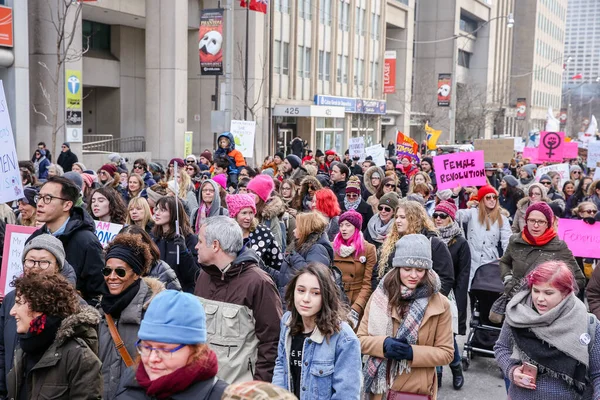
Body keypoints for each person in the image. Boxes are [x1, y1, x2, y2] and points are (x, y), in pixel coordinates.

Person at [358, 234, 454, 399]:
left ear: (427, 270)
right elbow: (360, 340)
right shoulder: (380, 296)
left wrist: (412, 353)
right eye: (407, 269)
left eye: (420, 270)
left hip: (416, 391)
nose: (413, 275)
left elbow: (446, 352)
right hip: (380, 391)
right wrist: (383, 345)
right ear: (398, 268)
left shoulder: (441, 304)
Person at [194, 216, 283, 383]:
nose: (195, 246)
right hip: (203, 386)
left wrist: (258, 388)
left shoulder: (258, 283)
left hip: (239, 390)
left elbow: (272, 342)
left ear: (215, 245)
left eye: (200, 241)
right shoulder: (203, 277)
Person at [495, 261, 600, 399]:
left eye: (548, 293)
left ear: (565, 293)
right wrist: (512, 371)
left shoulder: (588, 324)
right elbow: (501, 347)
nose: (540, 298)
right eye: (536, 290)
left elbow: (598, 374)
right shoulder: (518, 315)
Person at [0, 234, 80, 395]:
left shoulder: (72, 304)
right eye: (30, 261)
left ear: (58, 266)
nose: (35, 267)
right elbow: (2, 348)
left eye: (44, 262)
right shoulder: (11, 299)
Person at [115, 290, 228, 399]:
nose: (152, 358)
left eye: (165, 350)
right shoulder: (129, 381)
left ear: (195, 350)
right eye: (147, 347)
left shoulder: (223, 396)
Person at [272, 262, 362, 398]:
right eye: (301, 290)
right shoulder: (287, 322)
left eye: (315, 293)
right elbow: (281, 365)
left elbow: (346, 394)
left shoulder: (343, 338)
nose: (306, 299)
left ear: (326, 296)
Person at [6, 273, 102, 399]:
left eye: (18, 303)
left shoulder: (79, 356)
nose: (12, 311)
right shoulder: (23, 348)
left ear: (39, 305)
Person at [99, 234, 164, 399]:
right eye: (107, 271)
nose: (111, 277)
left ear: (136, 274)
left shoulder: (154, 313)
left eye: (120, 272)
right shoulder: (99, 311)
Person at [29, 176, 107, 304]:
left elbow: (97, 294)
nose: (40, 203)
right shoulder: (35, 239)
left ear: (67, 205)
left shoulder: (86, 242)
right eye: (39, 197)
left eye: (48, 198)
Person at [501, 202, 585, 299]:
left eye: (541, 222)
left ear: (548, 224)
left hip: (543, 307)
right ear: (526, 221)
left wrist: (557, 295)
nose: (535, 225)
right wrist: (508, 279)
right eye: (532, 220)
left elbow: (579, 279)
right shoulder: (515, 240)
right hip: (514, 300)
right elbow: (504, 262)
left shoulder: (559, 247)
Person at [375, 199, 454, 297]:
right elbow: (377, 274)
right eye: (396, 217)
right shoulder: (391, 243)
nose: (397, 221)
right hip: (392, 301)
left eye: (403, 217)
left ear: (415, 219)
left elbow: (446, 278)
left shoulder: (433, 243)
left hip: (425, 303)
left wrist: (426, 300)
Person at [432, 200, 471, 389]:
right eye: (436, 215)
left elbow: (463, 276)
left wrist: (461, 304)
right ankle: (437, 373)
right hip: (431, 290)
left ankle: (455, 368)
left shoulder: (460, 243)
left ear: (451, 218)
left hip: (450, 294)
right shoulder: (430, 238)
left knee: (447, 335)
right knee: (432, 333)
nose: (438, 219)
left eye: (443, 216)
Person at [455, 185, 511, 288]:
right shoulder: (472, 213)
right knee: (470, 292)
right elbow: (456, 215)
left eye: (494, 197)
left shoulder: (502, 218)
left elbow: (507, 240)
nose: (492, 200)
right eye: (488, 197)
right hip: (471, 260)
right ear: (482, 200)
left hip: (490, 261)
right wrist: (455, 195)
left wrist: (506, 258)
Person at [332, 210, 377, 328]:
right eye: (341, 225)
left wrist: (356, 309)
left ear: (356, 228)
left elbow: (368, 284)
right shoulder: (332, 247)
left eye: (348, 225)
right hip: (335, 300)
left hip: (356, 301)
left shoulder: (368, 249)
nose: (343, 229)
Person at [277, 211, 334, 300]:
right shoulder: (301, 247)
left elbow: (312, 275)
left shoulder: (317, 249)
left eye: (297, 227)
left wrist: (294, 256)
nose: (294, 230)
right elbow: (285, 274)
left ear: (305, 229)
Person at [226, 193, 283, 278]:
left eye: (251, 213)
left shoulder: (263, 233)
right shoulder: (226, 233)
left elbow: (277, 262)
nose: (248, 217)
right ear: (235, 215)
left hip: (257, 283)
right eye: (244, 213)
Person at [153, 196, 200, 293]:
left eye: (163, 210)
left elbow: (193, 276)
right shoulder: (154, 238)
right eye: (156, 209)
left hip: (181, 294)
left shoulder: (189, 239)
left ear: (174, 213)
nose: (157, 213)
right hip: (158, 294)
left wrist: (184, 252)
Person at [119, 225, 182, 291]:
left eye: (134, 248)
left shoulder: (161, 270)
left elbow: (176, 299)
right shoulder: (114, 270)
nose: (127, 253)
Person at [248, 175, 287, 251]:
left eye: (253, 192)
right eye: (248, 191)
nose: (249, 195)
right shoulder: (244, 212)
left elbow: (277, 246)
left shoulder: (269, 218)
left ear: (261, 196)